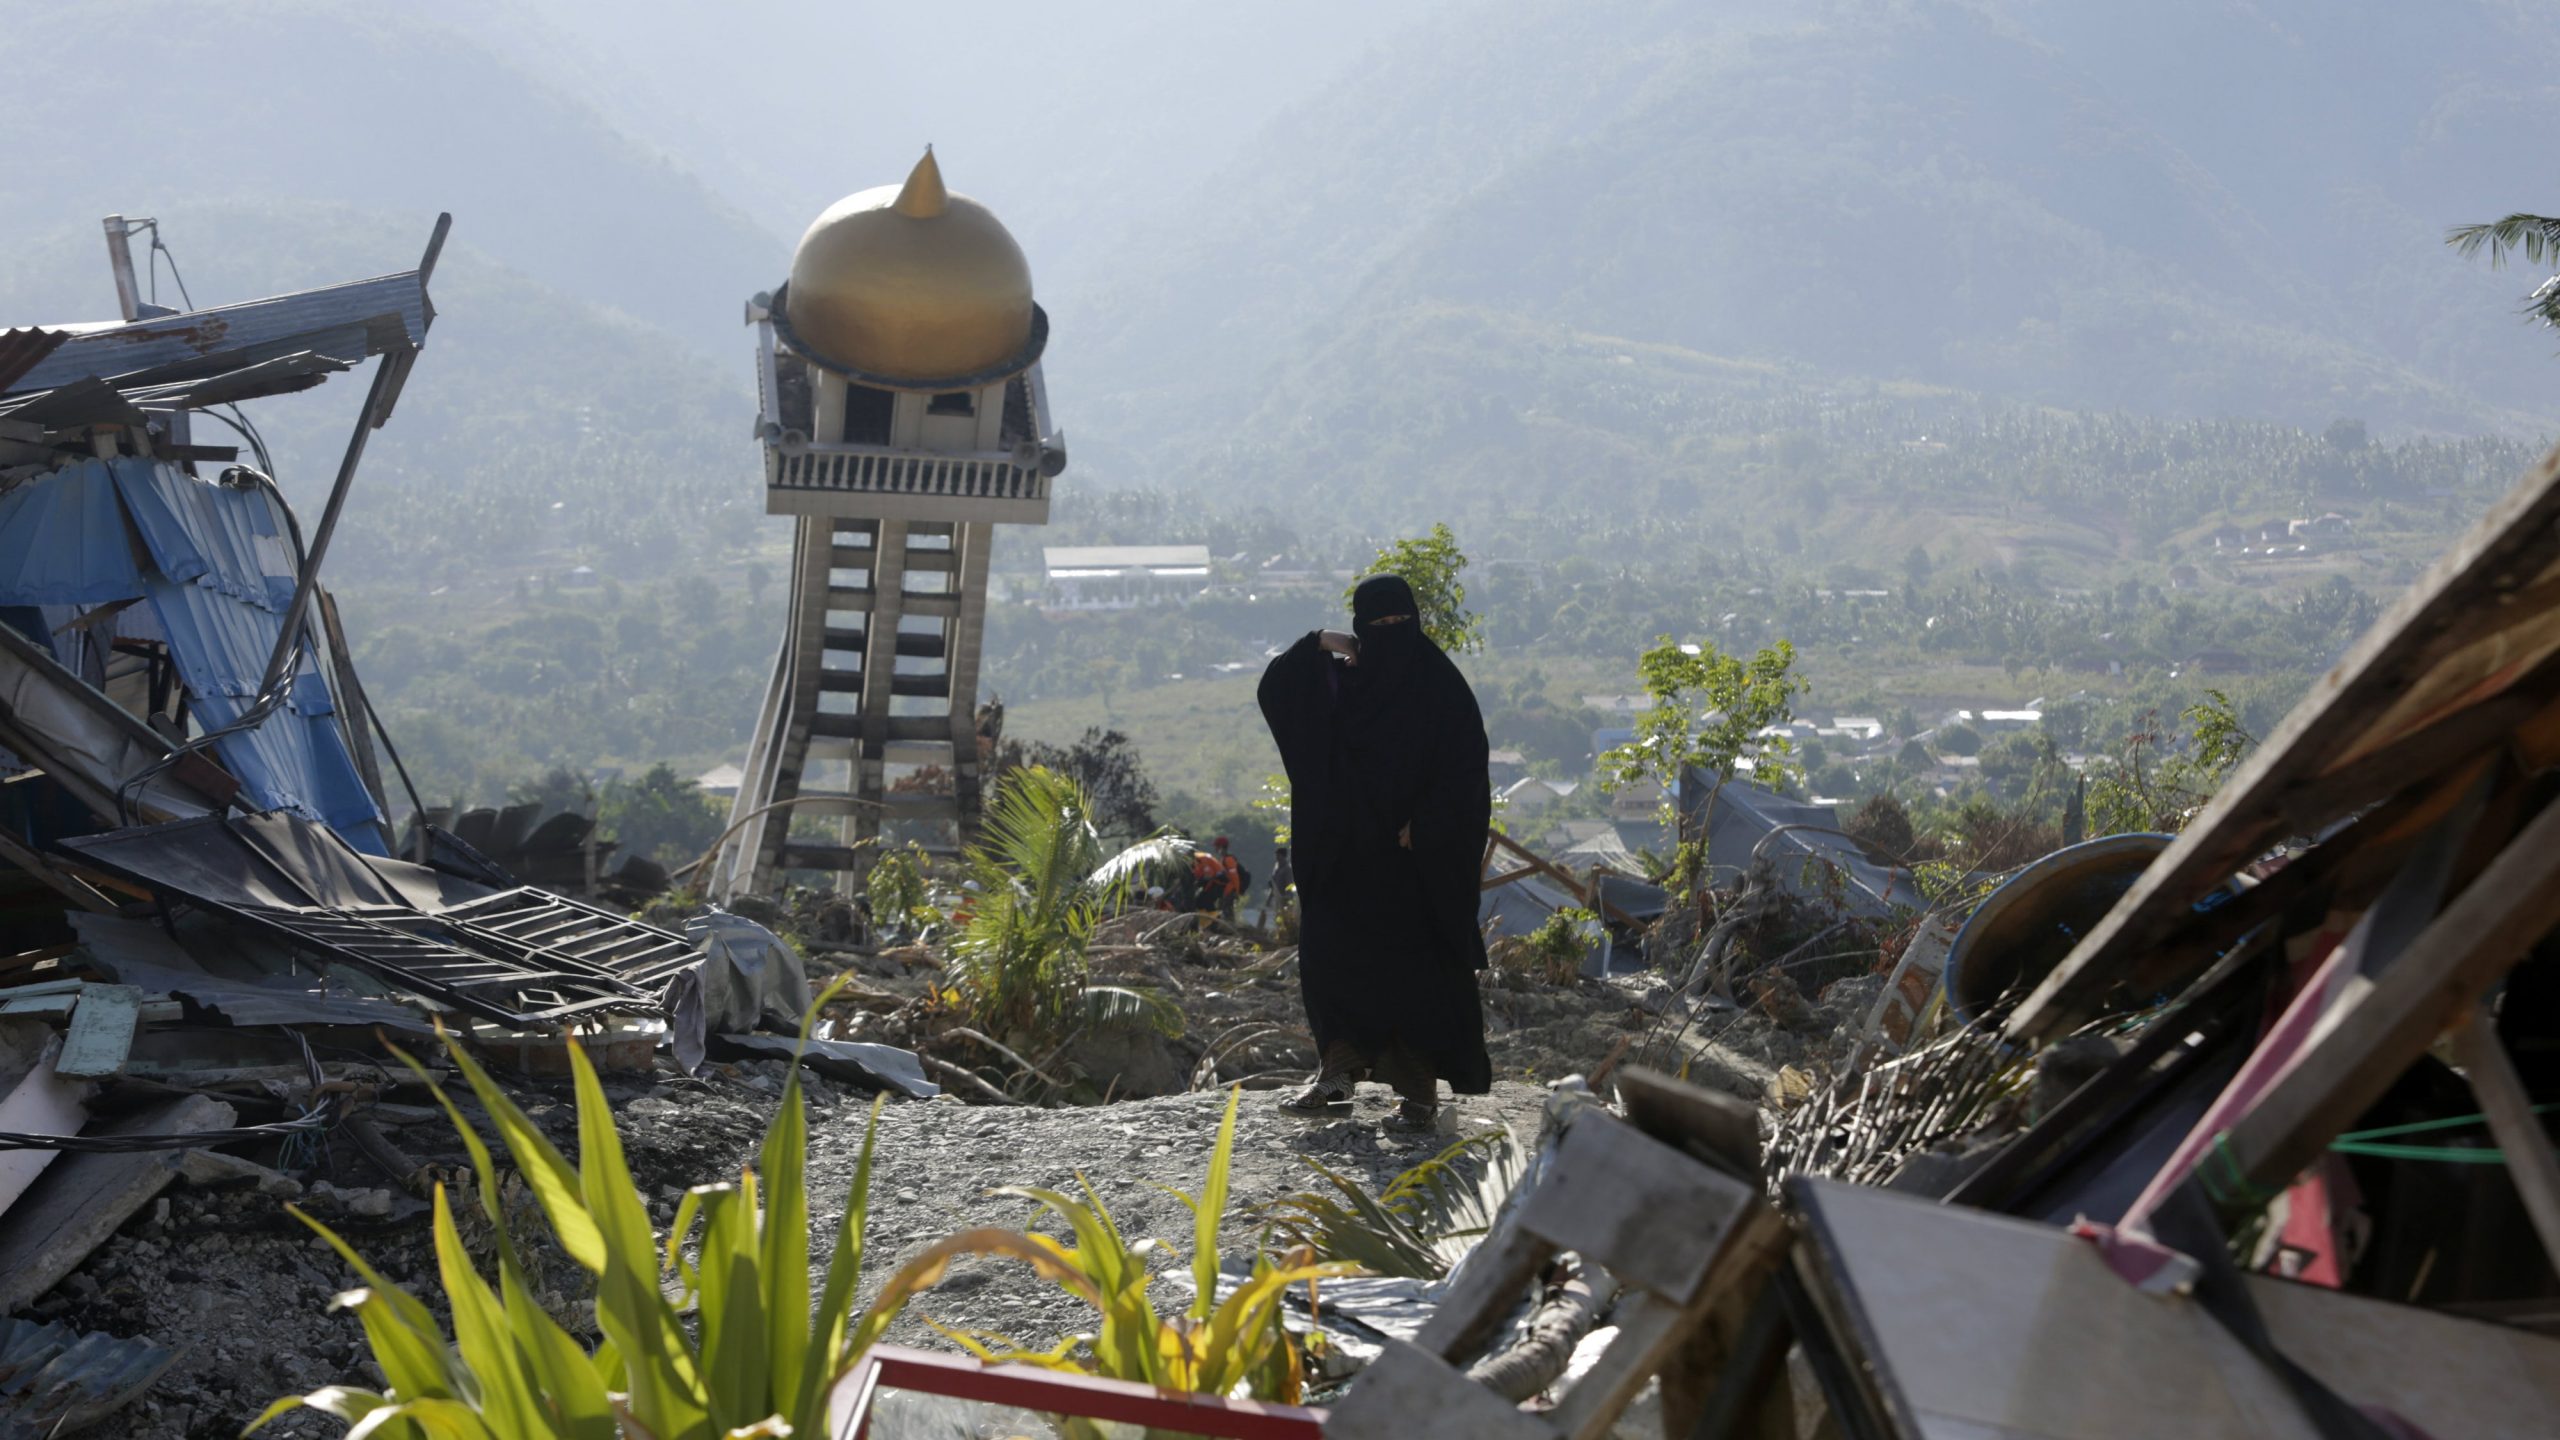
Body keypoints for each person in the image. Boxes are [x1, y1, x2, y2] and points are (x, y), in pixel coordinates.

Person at [1257, 574, 1492, 1131]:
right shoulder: (1343, 683)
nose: (1390, 635)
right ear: (1360, 628)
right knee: (1334, 959)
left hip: (1409, 863)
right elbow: (1278, 692)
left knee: (1411, 975)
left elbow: (1465, 767)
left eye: (1398, 625)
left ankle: (1417, 1096)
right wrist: (1322, 640)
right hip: (1343, 856)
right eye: (1376, 626)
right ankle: (1336, 1073)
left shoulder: (1439, 686)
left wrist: (1428, 823)